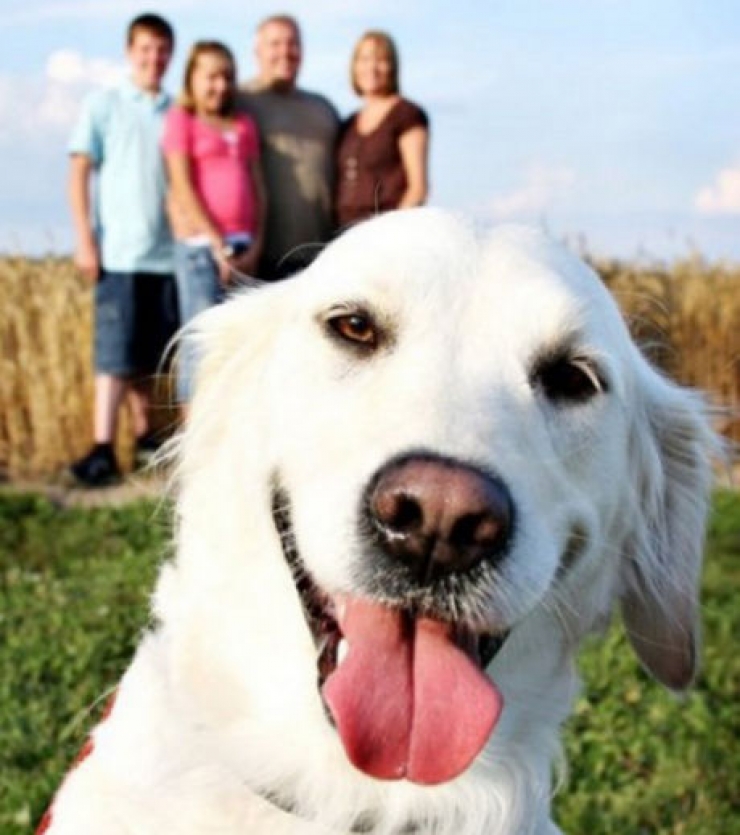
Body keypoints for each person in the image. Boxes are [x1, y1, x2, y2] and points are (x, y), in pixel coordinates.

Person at [67, 13, 178, 487]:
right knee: (114, 355)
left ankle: (147, 437)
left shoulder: (178, 110)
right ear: (130, 52)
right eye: (145, 49)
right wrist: (85, 239)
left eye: (161, 50)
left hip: (169, 253)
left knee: (151, 357)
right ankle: (103, 448)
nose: (153, 59)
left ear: (170, 55)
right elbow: (79, 173)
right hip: (119, 252)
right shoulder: (104, 105)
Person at [162, 41, 265, 408]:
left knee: (238, 343)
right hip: (201, 249)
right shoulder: (182, 121)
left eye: (227, 77)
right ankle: (193, 434)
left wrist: (256, 244)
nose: (219, 85)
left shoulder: (242, 124)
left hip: (242, 245)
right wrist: (216, 241)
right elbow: (183, 184)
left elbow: (257, 185)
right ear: (192, 79)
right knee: (201, 340)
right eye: (210, 76)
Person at [238, 15, 339, 279]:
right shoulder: (240, 102)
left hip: (319, 258)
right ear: (257, 52)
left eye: (293, 43)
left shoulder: (323, 109)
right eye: (275, 44)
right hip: (257, 258)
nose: (285, 51)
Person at [335, 31, 429, 229]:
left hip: (385, 234)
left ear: (392, 67)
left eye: (381, 60)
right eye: (365, 59)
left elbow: (417, 188)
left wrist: (389, 235)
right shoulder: (349, 123)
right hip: (345, 233)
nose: (372, 67)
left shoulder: (406, 115)